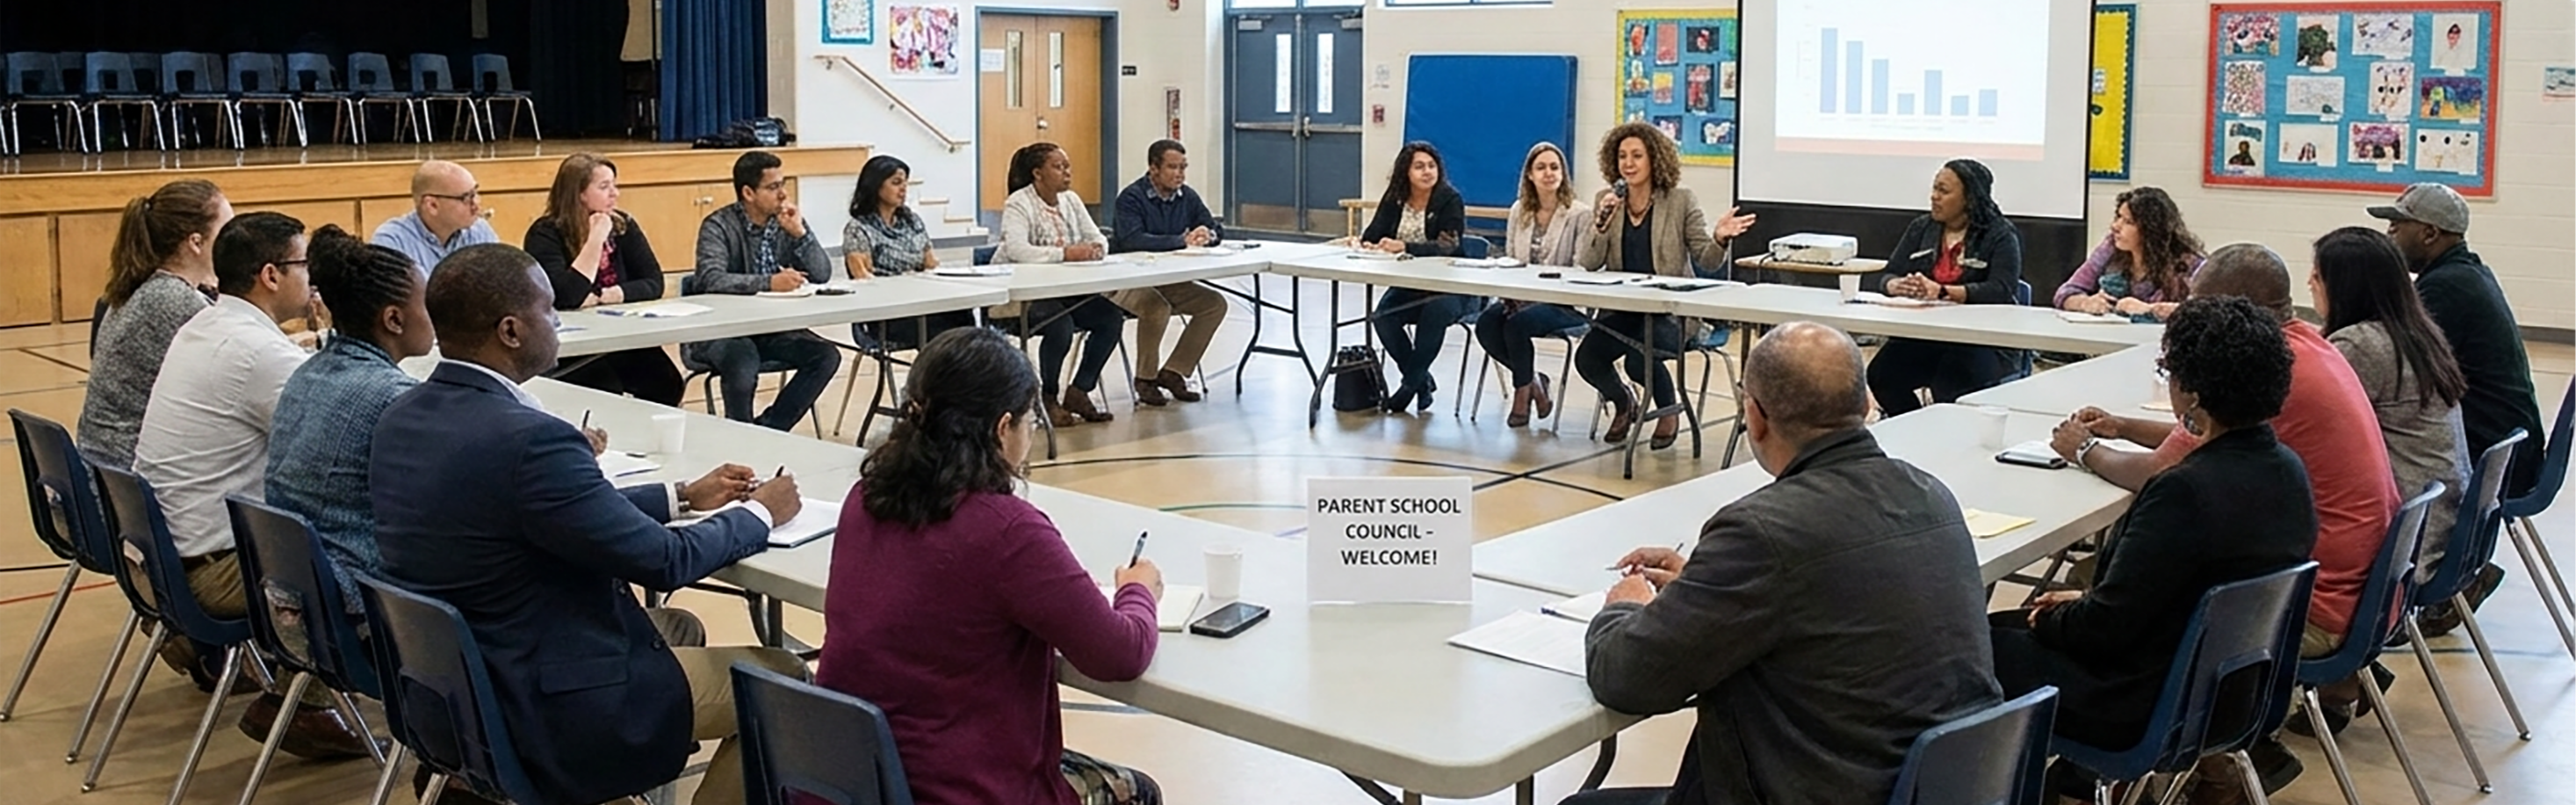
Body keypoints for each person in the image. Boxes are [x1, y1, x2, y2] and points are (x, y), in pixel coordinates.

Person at [371, 243, 808, 805]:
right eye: (549, 311)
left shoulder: (403, 416)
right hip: (544, 701)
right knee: (783, 678)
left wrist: (680, 496)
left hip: (454, 683)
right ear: (510, 330)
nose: (557, 323)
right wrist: (761, 512)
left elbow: (546, 511)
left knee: (674, 628)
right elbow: (665, 561)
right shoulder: (529, 438)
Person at [1573, 322, 2001, 805]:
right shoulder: (1930, 493)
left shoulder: (1761, 530)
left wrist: (1624, 609)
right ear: (1864, 405)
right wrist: (1703, 586)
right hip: (1934, 787)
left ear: (1754, 416)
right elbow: (1830, 600)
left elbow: (1628, 679)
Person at [820, 326, 1165, 805]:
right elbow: (1119, 654)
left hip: (853, 777)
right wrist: (1138, 591)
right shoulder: (1006, 531)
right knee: (1135, 791)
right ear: (1003, 428)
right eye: (1030, 422)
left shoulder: (864, 497)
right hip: (957, 785)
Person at [1999, 296, 2318, 801]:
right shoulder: (2288, 470)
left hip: (2148, 703)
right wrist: (2085, 608)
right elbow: (2153, 601)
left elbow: (2107, 632)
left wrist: (2062, 618)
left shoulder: (2184, 490)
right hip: (2236, 692)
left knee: (1972, 648)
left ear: (2189, 392)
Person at [131, 212, 378, 756]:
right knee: (365, 545)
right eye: (303, 265)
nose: (312, 278)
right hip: (212, 571)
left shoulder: (209, 325)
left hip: (168, 554)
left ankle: (297, 690)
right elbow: (341, 448)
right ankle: (306, 703)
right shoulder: (257, 352)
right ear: (271, 275)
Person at [2370, 185, 2542, 635]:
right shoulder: (2464, 274)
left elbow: (2395, 367)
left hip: (2491, 456)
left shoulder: (2447, 289)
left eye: (2398, 224)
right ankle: (2457, 572)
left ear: (2429, 233)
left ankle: (2393, 588)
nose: (2389, 233)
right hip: (2506, 446)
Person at [266, 225, 435, 597]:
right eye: (426, 304)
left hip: (297, 588)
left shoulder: (308, 372)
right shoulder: (393, 397)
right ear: (394, 320)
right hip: (356, 601)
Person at [1574, 123, 1756, 446]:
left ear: (1654, 159)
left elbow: (1708, 259)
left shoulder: (1680, 201)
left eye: (1637, 156)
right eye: (1622, 157)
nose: (1628, 164)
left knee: (1638, 355)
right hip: (1623, 311)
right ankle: (1623, 401)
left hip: (1671, 315)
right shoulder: (1608, 200)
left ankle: (1668, 411)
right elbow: (1589, 263)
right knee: (1587, 357)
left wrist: (1719, 238)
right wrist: (1601, 222)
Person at [2312, 227, 2471, 582]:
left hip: (2409, 541)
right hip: (2441, 517)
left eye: (2318, 276)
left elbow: (2302, 425)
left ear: (2346, 287)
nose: (2310, 284)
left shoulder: (2360, 346)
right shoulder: (2413, 330)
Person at [687, 150, 845, 431]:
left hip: (775, 327)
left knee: (826, 355)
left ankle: (769, 430)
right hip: (724, 329)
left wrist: (801, 235)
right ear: (748, 192)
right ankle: (743, 436)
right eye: (773, 187)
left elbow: (822, 275)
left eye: (783, 185)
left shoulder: (786, 221)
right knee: (743, 359)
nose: (783, 194)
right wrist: (768, 282)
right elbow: (710, 279)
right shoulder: (718, 226)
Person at [80, 178, 232, 469]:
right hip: (129, 484)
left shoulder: (143, 286)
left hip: (103, 472)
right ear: (196, 243)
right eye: (225, 234)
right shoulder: (173, 300)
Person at [1866, 158, 2024, 417]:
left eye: (1944, 191)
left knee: (1951, 384)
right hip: (1926, 334)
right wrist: (1896, 285)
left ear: (1970, 198)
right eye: (1934, 189)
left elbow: (2001, 289)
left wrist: (1943, 291)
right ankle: (1912, 426)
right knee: (1882, 375)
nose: (1934, 197)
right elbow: (1886, 274)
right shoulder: (1922, 228)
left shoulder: (2000, 234)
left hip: (1979, 339)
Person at [525, 153, 686, 406]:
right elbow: (568, 296)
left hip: (621, 334)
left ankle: (644, 441)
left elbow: (654, 282)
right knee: (605, 389)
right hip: (573, 346)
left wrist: (615, 294)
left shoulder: (623, 225)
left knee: (667, 382)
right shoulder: (545, 233)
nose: (615, 194)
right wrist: (596, 238)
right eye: (604, 187)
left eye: (614, 185)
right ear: (579, 194)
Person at [996, 141, 1127, 426]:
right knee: (1060, 325)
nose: (1067, 172)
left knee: (1110, 319)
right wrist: (1065, 253)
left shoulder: (1071, 200)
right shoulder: (1018, 202)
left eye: (1067, 166)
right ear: (1037, 174)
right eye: (1058, 167)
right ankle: (1048, 397)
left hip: (1066, 289)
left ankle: (1080, 390)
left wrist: (1095, 249)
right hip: (1021, 295)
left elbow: (1098, 237)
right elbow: (1018, 250)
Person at [1473, 141, 1591, 427]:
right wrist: (1513, 294)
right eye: (1541, 167)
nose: (1548, 173)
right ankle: (1534, 380)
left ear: (1563, 173)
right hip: (1522, 295)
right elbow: (1512, 261)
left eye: (1554, 167)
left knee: (1517, 325)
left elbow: (1582, 268)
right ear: (1530, 175)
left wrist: (1538, 296)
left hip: (1563, 301)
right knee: (1487, 324)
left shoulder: (1579, 213)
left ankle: (1521, 394)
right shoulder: (1519, 210)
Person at [1108, 139, 1230, 406]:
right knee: (1156, 307)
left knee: (1214, 304)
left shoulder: (1187, 196)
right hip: (1127, 279)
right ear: (1153, 169)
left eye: (1183, 168)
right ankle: (1145, 378)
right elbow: (1132, 239)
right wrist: (1180, 240)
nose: (1180, 174)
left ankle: (1174, 371)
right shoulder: (1131, 198)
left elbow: (1215, 227)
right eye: (1173, 167)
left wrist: (1207, 235)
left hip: (1167, 278)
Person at [1360, 141, 1474, 414]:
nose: (1427, 172)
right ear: (1406, 172)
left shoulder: (1449, 199)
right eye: (1419, 167)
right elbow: (1372, 235)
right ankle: (1421, 381)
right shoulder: (1395, 199)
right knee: (1382, 317)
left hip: (1451, 284)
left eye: (1431, 166)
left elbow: (1450, 246)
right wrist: (1368, 244)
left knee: (1434, 312)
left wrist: (1406, 246)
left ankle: (1409, 387)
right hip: (1410, 283)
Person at [842, 154, 976, 351]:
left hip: (922, 301)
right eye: (896, 183)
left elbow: (931, 264)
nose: (903, 189)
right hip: (888, 313)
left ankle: (963, 377)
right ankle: (936, 377)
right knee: (940, 328)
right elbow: (864, 279)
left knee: (962, 315)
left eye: (905, 183)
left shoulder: (912, 221)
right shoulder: (859, 228)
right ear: (876, 186)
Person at [2055, 186, 2204, 322]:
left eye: (2128, 222)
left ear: (2151, 230)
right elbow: (2066, 293)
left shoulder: (2188, 263)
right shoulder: (2110, 248)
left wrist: (2149, 310)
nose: (2115, 227)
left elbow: (2203, 313)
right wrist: (2085, 303)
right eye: (2118, 217)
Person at [371, 160, 500, 274]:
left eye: (475, 193)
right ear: (432, 205)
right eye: (466, 198)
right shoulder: (392, 241)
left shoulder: (480, 230)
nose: (476, 204)